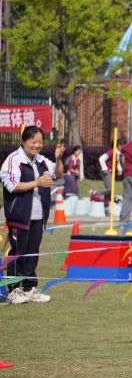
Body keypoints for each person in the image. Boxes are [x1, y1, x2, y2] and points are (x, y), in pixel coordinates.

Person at [2, 126, 63, 304]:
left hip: (38, 215)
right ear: (24, 141)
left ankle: (29, 288)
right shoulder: (14, 160)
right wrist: (36, 182)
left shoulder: (41, 160)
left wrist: (58, 159)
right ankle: (13, 289)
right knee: (18, 252)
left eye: (40, 142)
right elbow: (12, 186)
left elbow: (57, 174)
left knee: (32, 253)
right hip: (19, 214)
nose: (37, 146)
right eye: (33, 142)